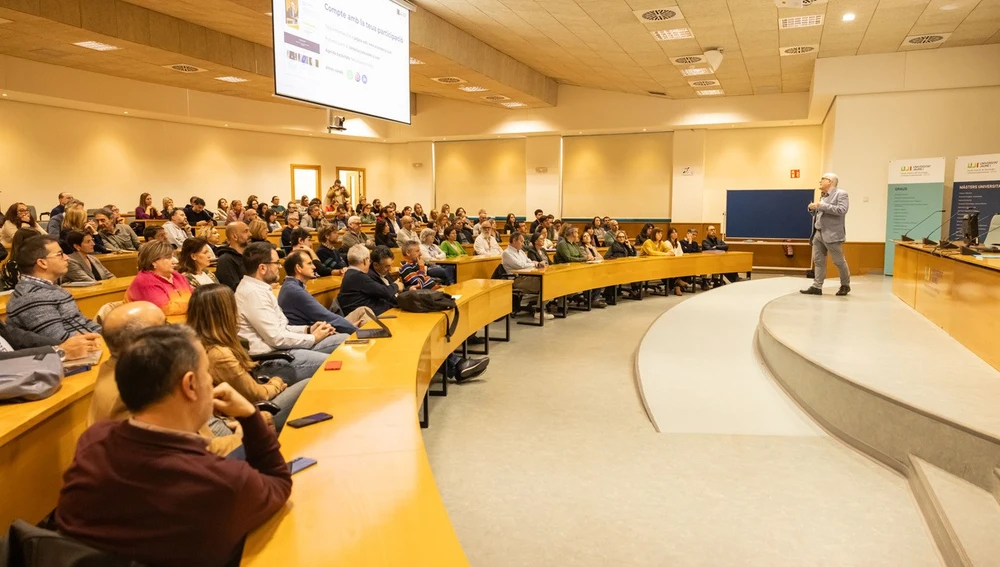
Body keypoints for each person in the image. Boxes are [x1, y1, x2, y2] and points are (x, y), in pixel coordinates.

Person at [55, 325, 291, 567]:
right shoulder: (222, 481)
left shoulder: (93, 441)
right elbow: (280, 484)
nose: (212, 382)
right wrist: (250, 416)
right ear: (190, 385)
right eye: (207, 373)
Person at [88, 301, 241, 456]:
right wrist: (242, 437)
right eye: (165, 325)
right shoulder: (134, 390)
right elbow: (190, 453)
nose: (173, 329)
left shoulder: (117, 367)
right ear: (146, 342)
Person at [188, 284, 308, 432]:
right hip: (249, 414)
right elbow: (257, 395)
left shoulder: (201, 344)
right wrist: (276, 383)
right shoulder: (219, 354)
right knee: (308, 386)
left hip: (248, 404)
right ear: (225, 313)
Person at [236, 242, 345, 380]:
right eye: (276, 263)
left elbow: (281, 328)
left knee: (344, 340)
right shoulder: (252, 293)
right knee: (338, 363)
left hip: (283, 349)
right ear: (262, 268)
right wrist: (313, 338)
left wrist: (308, 329)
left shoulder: (260, 288)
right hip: (271, 360)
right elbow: (276, 338)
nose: (279, 266)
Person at [6, 236, 102, 341]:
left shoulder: (50, 288)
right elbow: (59, 341)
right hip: (81, 347)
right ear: (42, 263)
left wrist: (107, 334)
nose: (67, 257)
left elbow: (82, 321)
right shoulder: (31, 297)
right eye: (60, 254)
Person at [278, 251, 370, 333]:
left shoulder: (291, 286)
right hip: (311, 336)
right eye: (309, 263)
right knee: (359, 330)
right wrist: (355, 330)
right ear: (298, 268)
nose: (314, 267)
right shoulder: (295, 290)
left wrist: (348, 327)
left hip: (322, 327)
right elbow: (326, 317)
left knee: (363, 311)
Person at [803, 172, 851, 296]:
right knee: (818, 261)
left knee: (839, 261)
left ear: (830, 181)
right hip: (818, 233)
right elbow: (820, 213)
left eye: (822, 179)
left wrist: (821, 205)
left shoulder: (841, 194)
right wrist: (813, 208)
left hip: (832, 234)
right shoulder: (823, 196)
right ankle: (817, 286)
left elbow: (842, 210)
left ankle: (845, 285)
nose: (820, 181)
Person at [126, 241, 193, 315]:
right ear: (153, 262)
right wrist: (195, 305)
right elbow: (164, 308)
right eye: (169, 257)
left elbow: (194, 297)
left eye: (174, 256)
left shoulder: (177, 276)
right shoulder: (144, 281)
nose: (176, 261)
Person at [337, 244, 401, 316]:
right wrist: (396, 285)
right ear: (365, 261)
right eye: (369, 260)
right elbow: (385, 292)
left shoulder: (351, 274)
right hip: (365, 318)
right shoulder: (358, 276)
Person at [502, 232, 550, 320]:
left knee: (548, 281)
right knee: (545, 284)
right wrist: (536, 264)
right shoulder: (507, 253)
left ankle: (541, 308)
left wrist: (535, 263)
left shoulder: (520, 252)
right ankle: (539, 312)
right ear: (514, 240)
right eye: (521, 241)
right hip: (516, 280)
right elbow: (520, 265)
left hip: (526, 276)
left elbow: (529, 261)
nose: (523, 244)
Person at [555, 227, 606, 307]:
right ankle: (589, 299)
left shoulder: (575, 244)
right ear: (572, 233)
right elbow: (569, 258)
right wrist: (583, 258)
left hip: (577, 267)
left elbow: (581, 255)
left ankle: (593, 299)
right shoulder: (563, 244)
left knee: (597, 276)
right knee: (588, 277)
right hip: (566, 269)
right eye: (576, 232)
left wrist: (586, 258)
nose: (578, 234)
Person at [216, 222, 250, 291]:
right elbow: (234, 288)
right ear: (234, 236)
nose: (250, 234)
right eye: (245, 231)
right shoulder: (225, 260)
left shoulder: (250, 256)